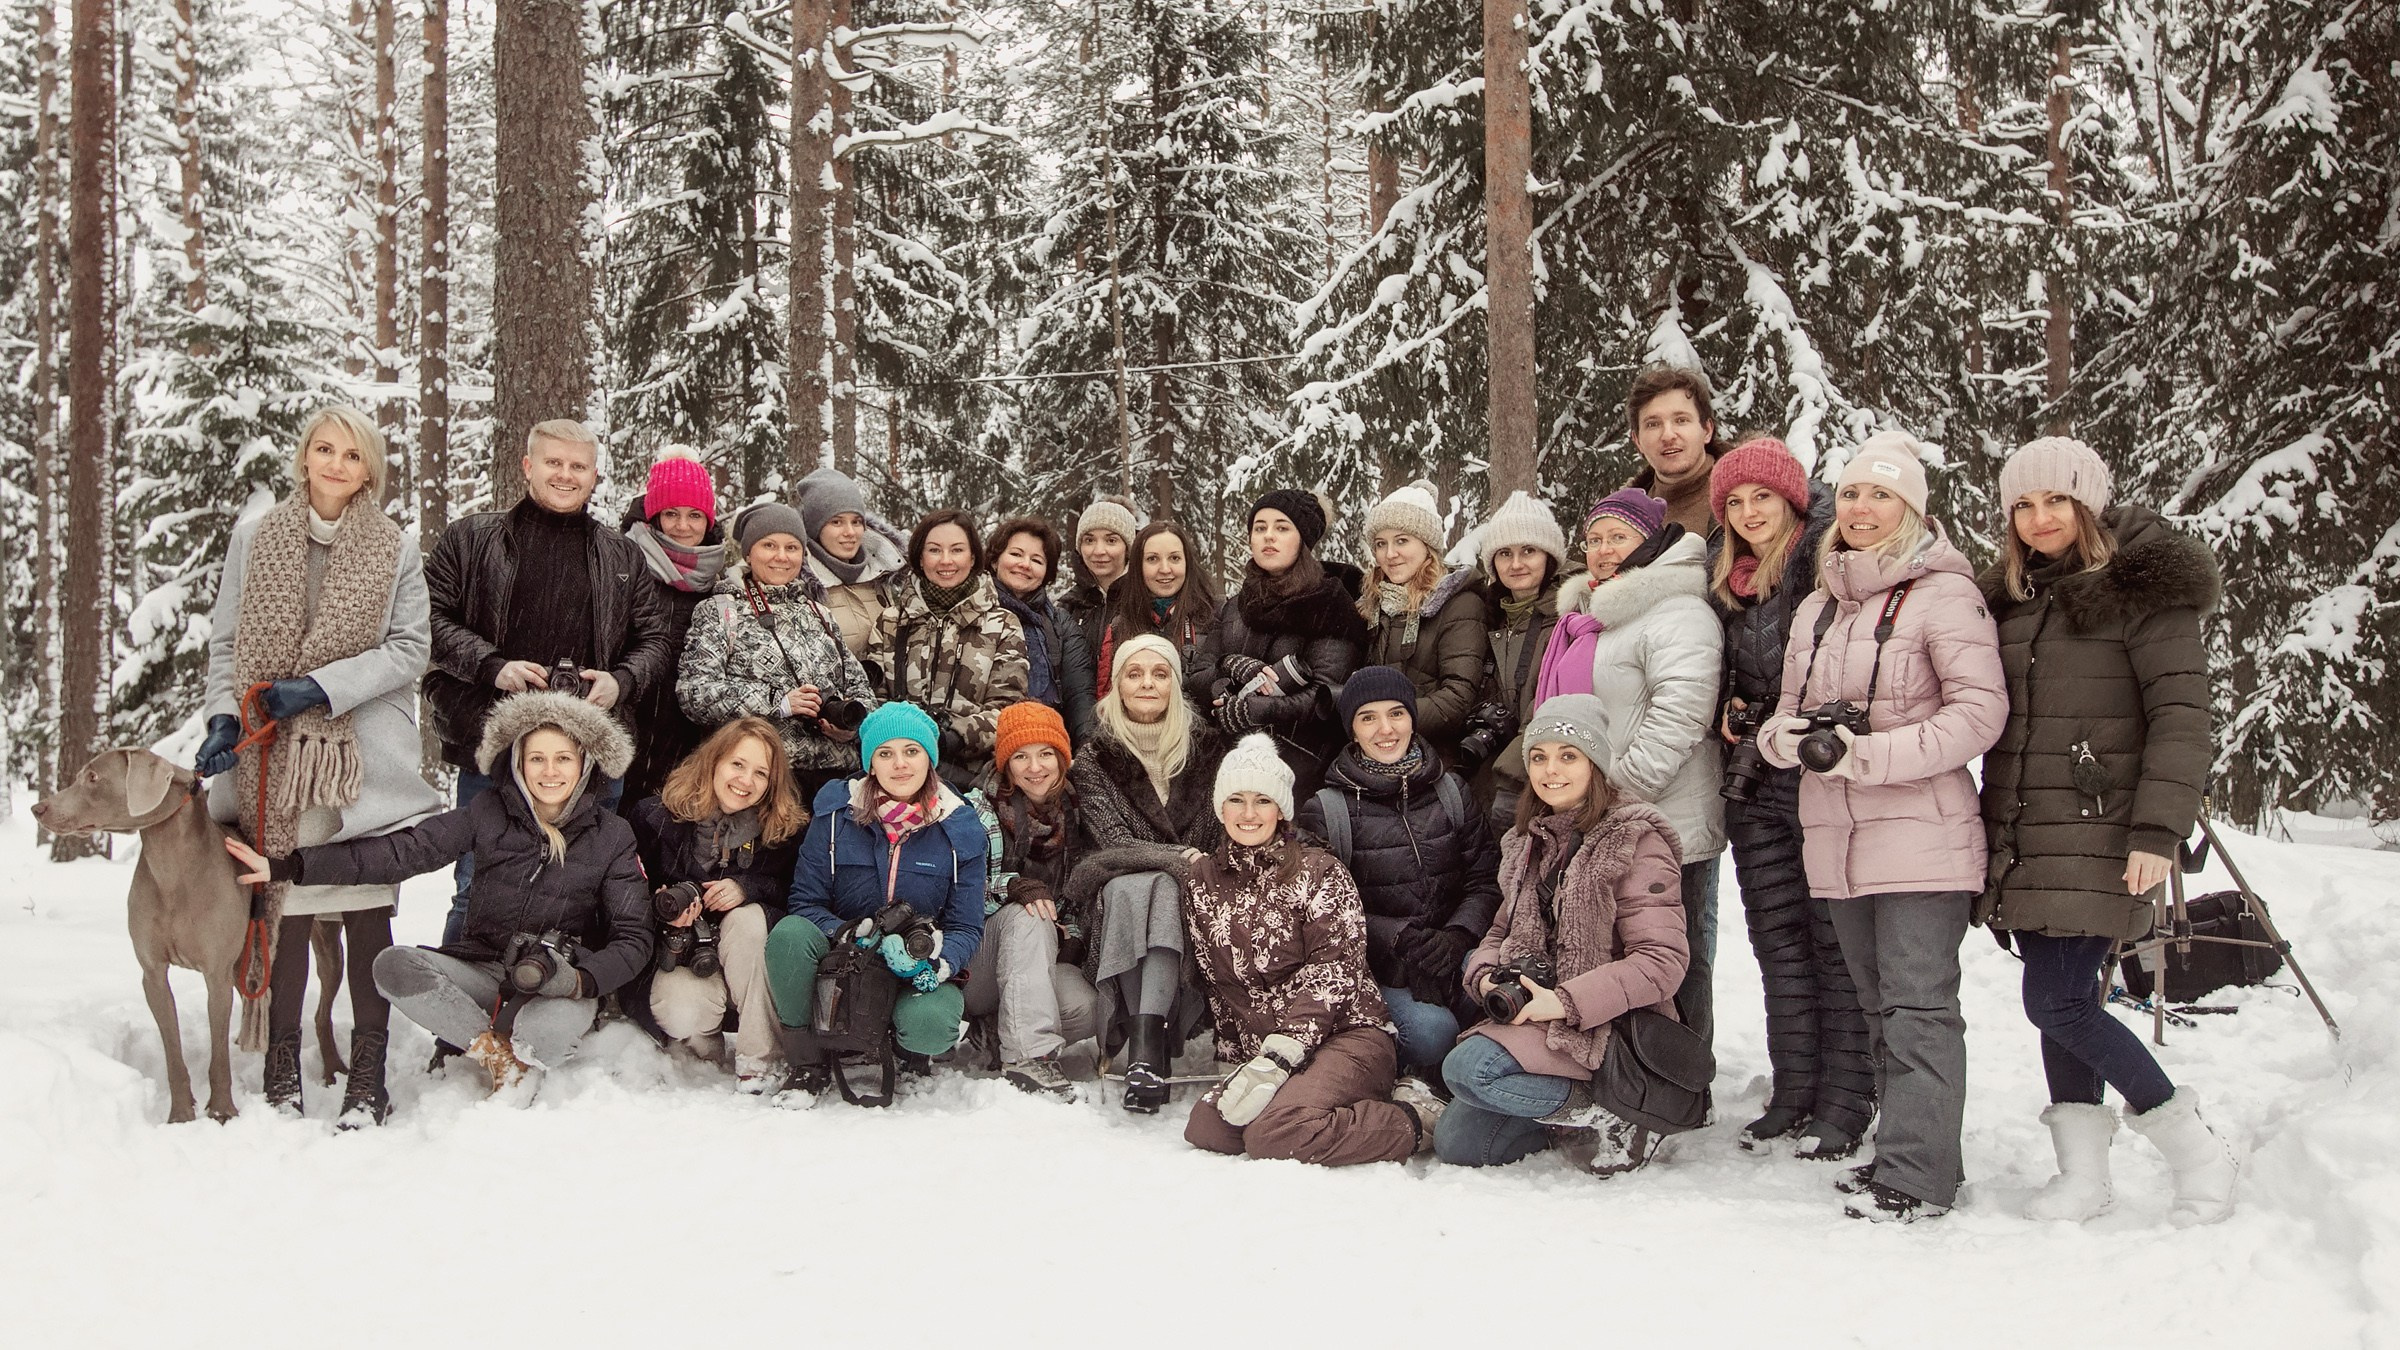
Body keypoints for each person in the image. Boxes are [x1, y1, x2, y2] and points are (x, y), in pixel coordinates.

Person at [1978, 437, 2238, 1227]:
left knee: (2057, 1002)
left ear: (2088, 503)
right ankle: (2083, 1175)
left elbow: (2183, 719)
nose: (2039, 518)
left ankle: (2196, 1151)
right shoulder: (2014, 599)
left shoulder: (2139, 592)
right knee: (2062, 997)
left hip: (2103, 829)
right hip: (2029, 831)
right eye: (2022, 505)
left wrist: (2158, 831)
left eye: (2056, 500)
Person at [1757, 432, 2007, 1222]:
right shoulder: (1819, 604)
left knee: (1919, 1008)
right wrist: (1785, 741)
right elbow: (1785, 718)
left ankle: (1921, 1176)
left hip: (1923, 839)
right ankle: (1902, 1152)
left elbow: (1980, 715)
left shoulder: (1945, 595)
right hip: (1837, 839)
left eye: (1882, 496)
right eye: (1855, 494)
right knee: (1876, 1009)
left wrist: (1867, 756)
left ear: (1913, 510)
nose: (1862, 508)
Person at [194, 405, 445, 1126]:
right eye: (324, 449)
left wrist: (323, 686)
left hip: (357, 751)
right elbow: (225, 645)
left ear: (370, 469)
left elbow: (408, 650)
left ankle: (369, 1072)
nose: (336, 464)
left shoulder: (393, 546)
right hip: (271, 744)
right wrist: (221, 717)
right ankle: (283, 1066)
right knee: (288, 907)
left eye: (352, 454)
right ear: (304, 457)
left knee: (365, 908)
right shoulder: (256, 539)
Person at [225, 691, 654, 1098]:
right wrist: (292, 866)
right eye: (537, 758)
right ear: (518, 764)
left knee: (542, 1043)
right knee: (393, 965)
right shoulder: (488, 813)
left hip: (558, 982)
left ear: (584, 765)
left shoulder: (612, 836)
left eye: (563, 759)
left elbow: (634, 937)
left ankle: (520, 1037)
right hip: (483, 971)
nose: (550, 771)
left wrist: (582, 980)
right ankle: (494, 1052)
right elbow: (405, 851)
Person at [423, 419, 675, 946]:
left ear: (595, 475)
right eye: (553, 463)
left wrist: (621, 681)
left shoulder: (622, 556)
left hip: (589, 752)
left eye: (577, 466)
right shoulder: (471, 539)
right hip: (492, 745)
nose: (565, 475)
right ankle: (462, 1017)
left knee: (578, 892)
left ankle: (561, 1011)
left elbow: (656, 640)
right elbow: (428, 621)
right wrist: (494, 666)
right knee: (477, 885)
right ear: (527, 466)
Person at [1433, 695, 1690, 1175]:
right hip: (1539, 1015)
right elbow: (1500, 928)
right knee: (1460, 1145)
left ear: (1595, 763)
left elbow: (1661, 962)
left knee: (1469, 1069)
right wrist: (1486, 974)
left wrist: (1566, 1002)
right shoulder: (1528, 841)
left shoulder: (1634, 840)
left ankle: (1619, 1115)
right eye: (1539, 757)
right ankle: (1567, 1116)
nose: (1551, 770)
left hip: (1607, 1026)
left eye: (1568, 756)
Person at [1706, 437, 1875, 1159]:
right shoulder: (1731, 583)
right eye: (1736, 503)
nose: (1749, 514)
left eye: (1762, 498)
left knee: (1833, 945)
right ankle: (1795, 1088)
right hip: (1753, 786)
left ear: (1792, 501)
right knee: (1778, 944)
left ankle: (1846, 1099)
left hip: (1816, 779)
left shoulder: (1823, 570)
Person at [1180, 733, 1445, 1165]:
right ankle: (1316, 1104)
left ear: (1281, 809)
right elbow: (1220, 983)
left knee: (1275, 1134)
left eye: (1262, 801)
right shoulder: (1202, 881)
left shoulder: (1320, 871)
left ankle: (1410, 1118)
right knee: (1208, 1127)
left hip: (1347, 1035)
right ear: (1220, 808)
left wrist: (1282, 1055)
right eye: (1237, 800)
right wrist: (1240, 1061)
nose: (1249, 814)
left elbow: (1336, 971)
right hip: (1269, 1053)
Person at [1545, 487, 1727, 1052]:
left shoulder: (1677, 610)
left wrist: (1622, 794)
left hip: (1668, 818)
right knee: (1618, 950)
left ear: (1651, 540)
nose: (1602, 550)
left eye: (1618, 537)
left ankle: (1683, 1074)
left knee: (1677, 954)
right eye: (1594, 539)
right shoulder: (1596, 617)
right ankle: (1627, 1072)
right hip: (1606, 816)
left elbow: (1681, 714)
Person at [765, 702, 987, 1088]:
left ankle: (904, 1047)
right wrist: (852, 933)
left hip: (913, 965)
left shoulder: (961, 827)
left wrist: (935, 963)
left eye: (911, 751)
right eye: (886, 753)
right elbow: (804, 904)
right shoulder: (834, 817)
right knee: (789, 936)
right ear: (870, 763)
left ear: (930, 759)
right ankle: (808, 1060)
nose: (900, 764)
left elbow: (967, 925)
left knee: (932, 1024)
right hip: (845, 958)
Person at [1294, 667, 1501, 1074]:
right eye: (1368, 717)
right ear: (1352, 729)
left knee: (1494, 1005)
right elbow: (1323, 912)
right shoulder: (1328, 810)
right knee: (1432, 1034)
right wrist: (1399, 941)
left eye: (1396, 714)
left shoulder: (1451, 790)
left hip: (1452, 948)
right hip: (1382, 967)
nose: (1385, 729)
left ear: (1412, 718)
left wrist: (1457, 936)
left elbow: (1485, 877)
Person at [1064, 633, 1227, 1112]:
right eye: (1134, 674)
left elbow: (1219, 836)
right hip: (1112, 904)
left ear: (1175, 685)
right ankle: (1149, 1047)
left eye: (1159, 674)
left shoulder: (1209, 752)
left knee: (1156, 885)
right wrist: (1177, 857)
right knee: (1143, 884)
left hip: (1192, 899)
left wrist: (1180, 867)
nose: (1147, 684)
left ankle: (1143, 1051)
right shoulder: (1094, 758)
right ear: (1116, 687)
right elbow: (1114, 841)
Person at [629, 717, 806, 1093]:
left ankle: (761, 1057)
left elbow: (798, 893)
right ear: (714, 762)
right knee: (679, 1008)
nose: (745, 781)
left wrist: (747, 887)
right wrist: (668, 912)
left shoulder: (783, 830)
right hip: (685, 954)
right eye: (737, 765)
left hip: (748, 956)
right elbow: (624, 895)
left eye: (761, 773)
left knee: (747, 920)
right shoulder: (655, 817)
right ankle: (704, 1044)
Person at [678, 500, 877, 803]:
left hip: (836, 781)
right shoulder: (720, 611)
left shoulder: (820, 613)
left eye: (792, 547)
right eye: (769, 545)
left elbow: (861, 689)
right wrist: (778, 702)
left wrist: (852, 728)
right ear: (748, 553)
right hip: (762, 782)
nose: (782, 557)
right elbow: (694, 693)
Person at [1191, 489, 1366, 798]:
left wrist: (1258, 710)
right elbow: (1197, 679)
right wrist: (1228, 671)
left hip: (1301, 770)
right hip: (1231, 766)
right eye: (1260, 528)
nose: (1268, 536)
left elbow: (1327, 697)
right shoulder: (1235, 605)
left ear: (1303, 540)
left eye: (1282, 527)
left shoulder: (1331, 603)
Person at [964, 702, 1100, 1095]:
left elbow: (1073, 900)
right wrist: (1012, 886)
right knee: (1029, 914)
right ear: (1006, 764)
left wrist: (1069, 933)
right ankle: (1028, 1058)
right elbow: (963, 893)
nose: (1034, 767)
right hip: (979, 957)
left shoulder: (1077, 812)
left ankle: (1000, 1031)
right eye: (1021, 756)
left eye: (1045, 754)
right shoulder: (980, 809)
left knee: (1088, 1007)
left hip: (1036, 959)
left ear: (1062, 758)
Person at [866, 509, 1032, 790]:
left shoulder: (1002, 623)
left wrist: (951, 736)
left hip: (971, 778)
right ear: (920, 557)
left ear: (973, 557)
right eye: (934, 550)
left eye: (957, 550)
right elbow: (873, 698)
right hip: (897, 776)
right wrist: (907, 739)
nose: (946, 561)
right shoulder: (892, 620)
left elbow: (1007, 711)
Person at [618, 448, 729, 806]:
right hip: (622, 730)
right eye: (671, 514)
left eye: (695, 515)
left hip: (687, 743)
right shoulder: (624, 566)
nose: (683, 526)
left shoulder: (721, 580)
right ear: (654, 517)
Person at [1459, 491, 1569, 832]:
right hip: (1486, 783)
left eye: (1529, 551)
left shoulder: (1569, 618)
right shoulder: (1484, 617)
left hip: (1540, 782)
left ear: (1549, 557)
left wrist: (1511, 773)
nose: (1516, 564)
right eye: (1505, 553)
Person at [1357, 480, 1489, 762]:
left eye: (1402, 541)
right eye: (1381, 544)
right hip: (1375, 754)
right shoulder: (1372, 604)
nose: (1390, 554)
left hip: (1434, 760)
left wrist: (1389, 724)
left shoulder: (1459, 604)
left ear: (1428, 546)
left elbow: (1457, 697)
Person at [986, 517, 1097, 741]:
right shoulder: (972, 613)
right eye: (1016, 554)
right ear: (995, 560)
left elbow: (1079, 698)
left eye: (1036, 560)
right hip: (980, 749)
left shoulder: (1061, 625)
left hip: (1044, 748)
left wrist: (1087, 753)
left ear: (1047, 573)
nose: (1025, 564)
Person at [794, 466, 907, 660]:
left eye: (856, 522)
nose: (850, 532)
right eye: (836, 522)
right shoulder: (799, 585)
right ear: (814, 528)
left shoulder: (883, 570)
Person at [1096, 519, 1221, 694]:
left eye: (1174, 558)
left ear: (1188, 563)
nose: (1165, 569)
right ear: (1138, 567)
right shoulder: (1119, 625)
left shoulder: (1217, 614)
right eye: (1152, 559)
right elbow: (1105, 699)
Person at [1623, 362, 1726, 538]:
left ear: (1707, 430)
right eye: (1653, 424)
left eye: (1681, 420)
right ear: (1637, 440)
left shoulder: (1743, 500)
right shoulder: (1623, 517)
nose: (1668, 435)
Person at [1060, 495, 1142, 677]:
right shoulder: (1068, 607)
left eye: (1111, 540)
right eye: (1089, 540)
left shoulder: (1145, 601)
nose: (1098, 551)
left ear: (1127, 547)